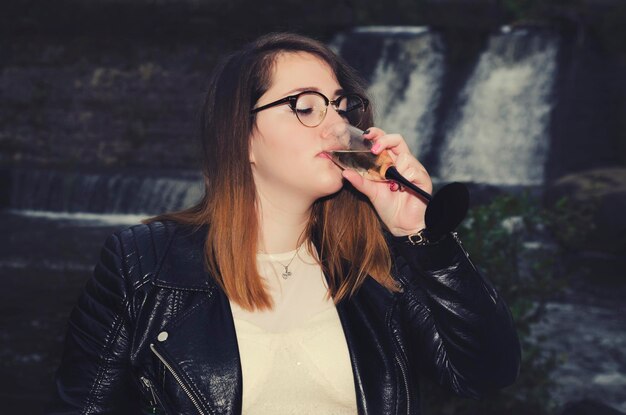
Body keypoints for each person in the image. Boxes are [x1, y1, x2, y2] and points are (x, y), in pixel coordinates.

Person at [46, 32, 521, 414]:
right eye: (306, 105)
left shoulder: (376, 262)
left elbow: (485, 372)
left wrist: (418, 231)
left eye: (339, 104)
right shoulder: (142, 264)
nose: (335, 124)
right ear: (243, 138)